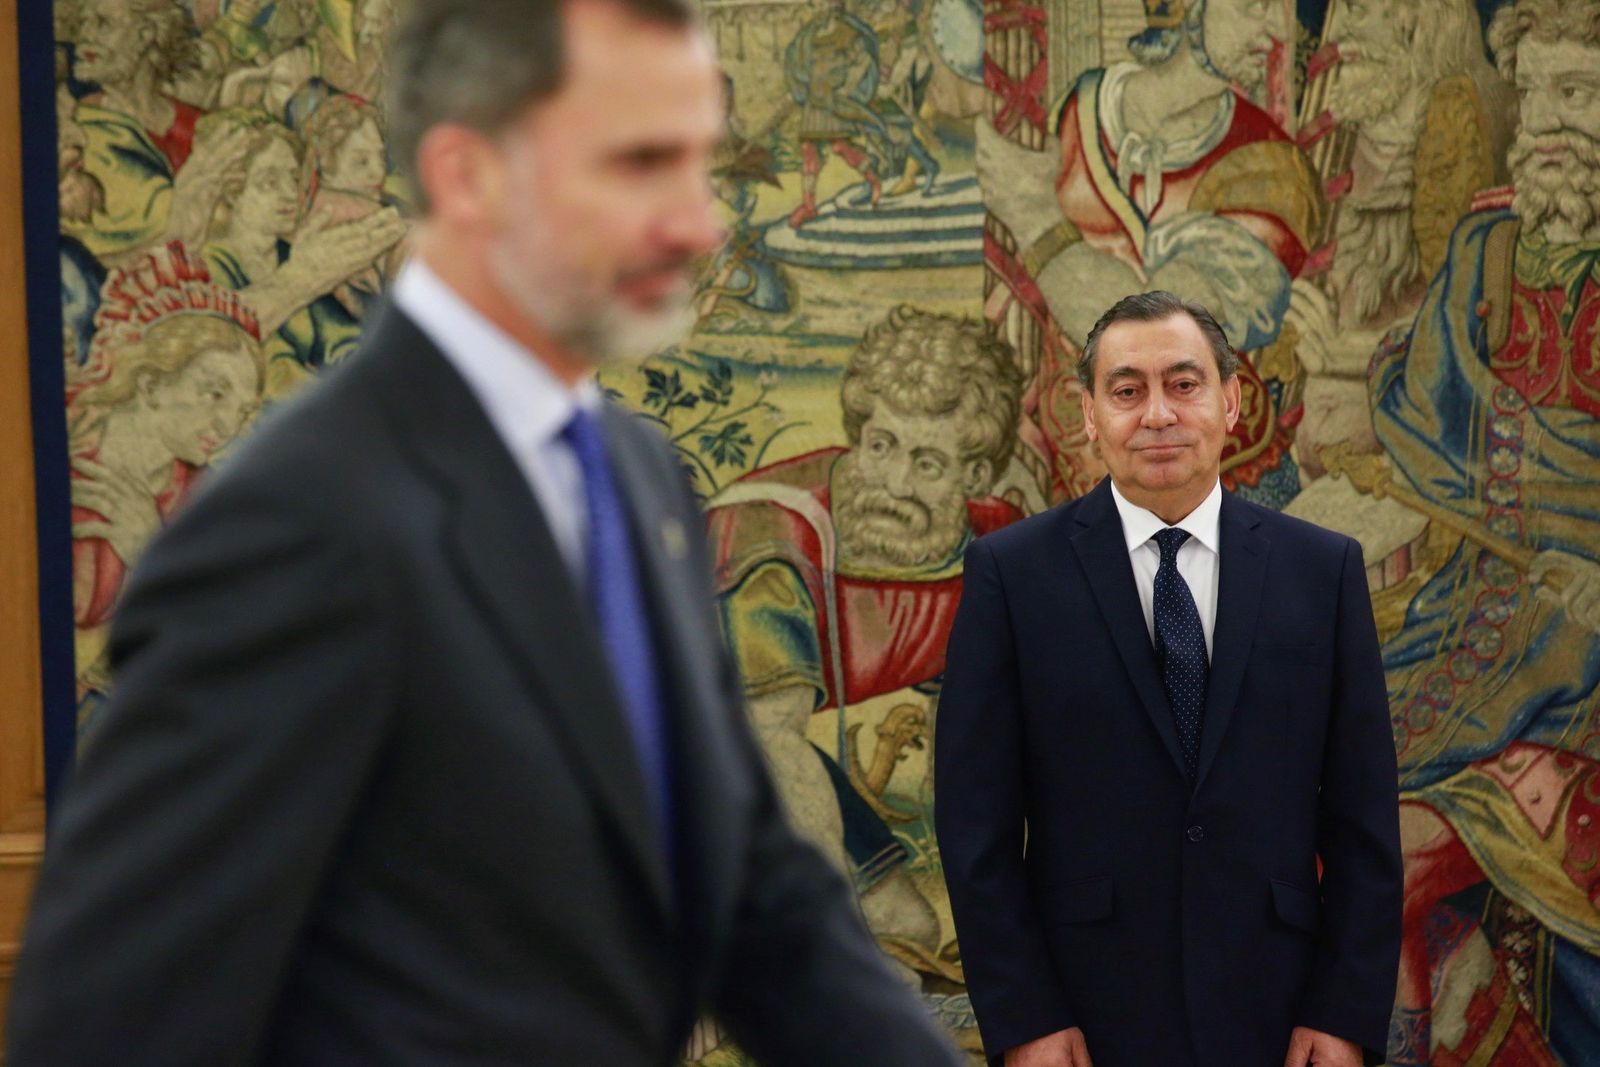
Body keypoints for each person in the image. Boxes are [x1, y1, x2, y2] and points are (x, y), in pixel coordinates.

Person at [6, 0, 967, 1064]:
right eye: (642, 165)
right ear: (469, 178)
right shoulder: (291, 524)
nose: (700, 224)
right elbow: (121, 993)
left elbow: (742, 874)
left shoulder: (637, 475)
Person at [935, 290, 1402, 1067]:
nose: (1157, 414)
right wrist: (1024, 1019)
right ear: (1089, 414)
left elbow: (1363, 822)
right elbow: (974, 824)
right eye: (1127, 391)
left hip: (1282, 1015)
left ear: (1231, 401)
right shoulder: (1010, 576)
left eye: (1183, 385)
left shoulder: (1322, 572)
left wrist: (1344, 1012)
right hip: (1083, 1018)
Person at [1359, 1, 1600, 1060]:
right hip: (1464, 626)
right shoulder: (1487, 247)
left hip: (1581, 678)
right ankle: (1430, 993)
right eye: (1536, 93)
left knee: (1383, 856)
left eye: (1580, 95)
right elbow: (1421, 424)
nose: (1547, 123)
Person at [706, 306, 1024, 980]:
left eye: (927, 461)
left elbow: (971, 743)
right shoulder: (775, 533)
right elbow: (770, 736)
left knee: (913, 927)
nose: (892, 482)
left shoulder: (992, 555)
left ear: (975, 481)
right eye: (880, 445)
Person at [979, 0, 1321, 503]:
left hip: (1223, 492)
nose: (1275, 31)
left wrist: (1034, 220)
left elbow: (1151, 338)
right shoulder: (1079, 111)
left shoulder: (1272, 170)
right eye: (1254, 6)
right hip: (1078, 485)